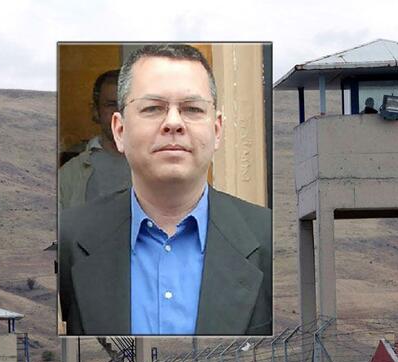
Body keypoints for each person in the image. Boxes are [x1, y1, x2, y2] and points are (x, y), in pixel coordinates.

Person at [59, 44, 272, 336]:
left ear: (217, 130)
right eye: (153, 108)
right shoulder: (69, 239)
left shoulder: (267, 237)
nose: (173, 123)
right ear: (120, 130)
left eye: (192, 109)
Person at [58, 69, 131, 209]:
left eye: (127, 104)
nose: (120, 113)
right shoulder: (69, 176)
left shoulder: (163, 164)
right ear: (96, 111)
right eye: (111, 105)